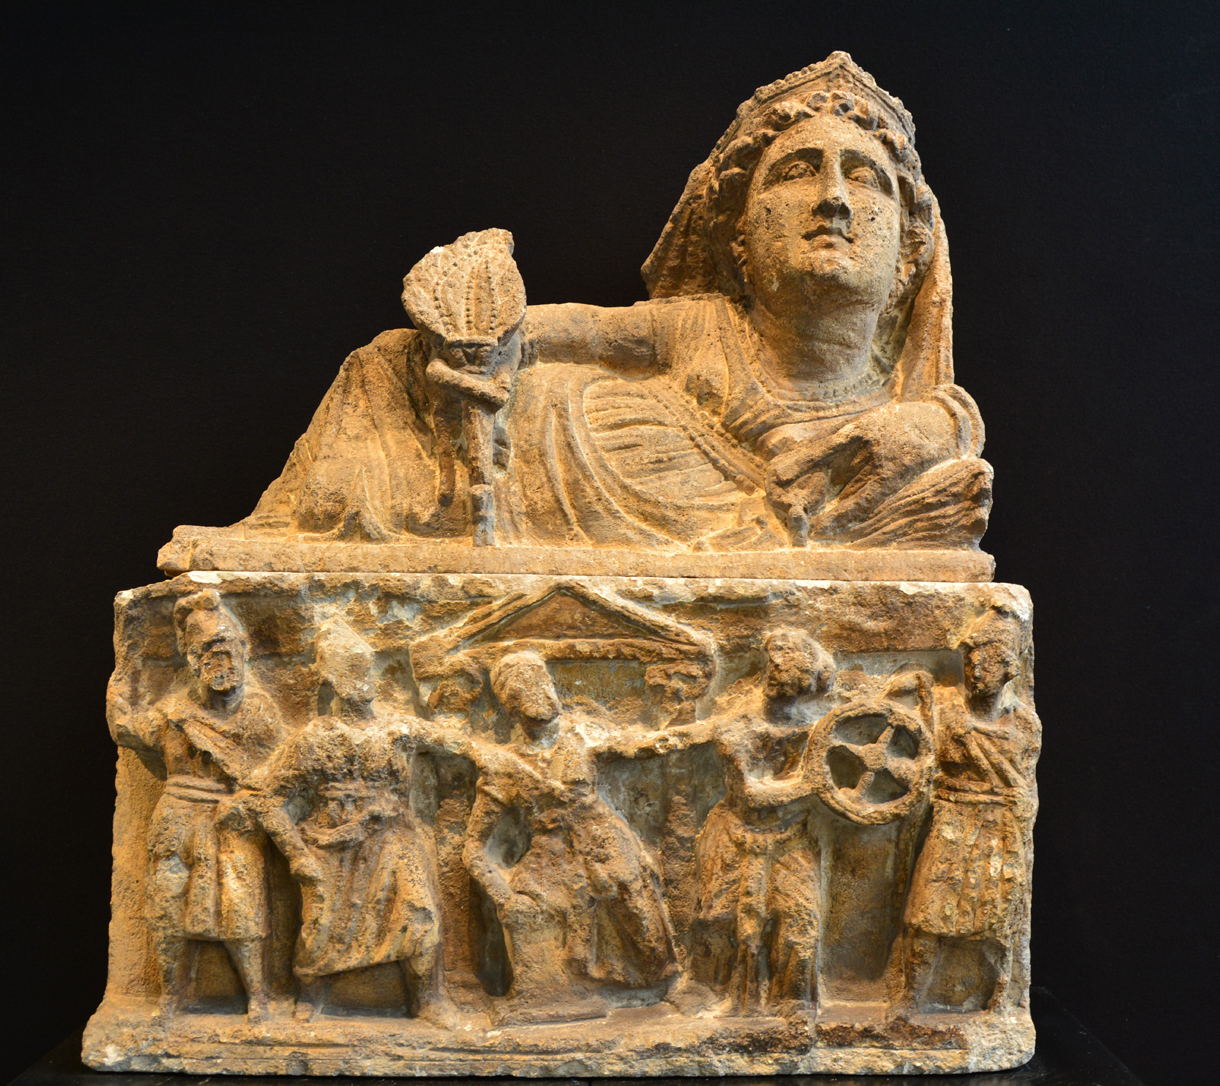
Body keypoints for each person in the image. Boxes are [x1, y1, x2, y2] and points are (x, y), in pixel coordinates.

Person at [234, 52, 989, 552]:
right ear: (738, 240)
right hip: (587, 485)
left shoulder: (925, 429)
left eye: (865, 177)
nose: (833, 199)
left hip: (733, 528)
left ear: (910, 253)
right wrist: (483, 332)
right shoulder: (700, 327)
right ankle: (323, 529)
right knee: (392, 364)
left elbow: (951, 445)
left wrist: (935, 428)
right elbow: (569, 332)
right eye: (796, 171)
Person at [252, 616, 459, 1024]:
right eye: (351, 669)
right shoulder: (313, 738)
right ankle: (310, 994)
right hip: (330, 843)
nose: (362, 679)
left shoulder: (398, 729)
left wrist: (453, 695)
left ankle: (428, 999)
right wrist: (296, 854)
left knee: (418, 909)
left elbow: (456, 742)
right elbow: (267, 801)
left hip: (392, 837)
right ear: (330, 678)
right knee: (321, 925)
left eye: (365, 668)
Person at [462, 651, 680, 1025]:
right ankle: (552, 995)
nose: (543, 693)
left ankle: (650, 992)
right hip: (551, 859)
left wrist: (693, 729)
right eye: (527, 687)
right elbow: (473, 846)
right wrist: (502, 894)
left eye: (544, 682)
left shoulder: (583, 736)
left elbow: (645, 744)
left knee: (650, 943)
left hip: (607, 848)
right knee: (529, 913)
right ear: (510, 705)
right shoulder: (504, 766)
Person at [107, 589, 285, 1020]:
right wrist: (126, 668)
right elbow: (125, 728)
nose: (219, 660)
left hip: (231, 820)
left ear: (244, 650)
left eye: (226, 649)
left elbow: (278, 772)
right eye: (207, 652)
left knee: (242, 907)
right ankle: (172, 995)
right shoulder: (173, 713)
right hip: (178, 820)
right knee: (168, 907)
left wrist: (249, 802)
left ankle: (258, 996)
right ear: (191, 659)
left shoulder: (259, 712)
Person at [681, 629, 835, 1019]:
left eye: (794, 684)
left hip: (792, 837)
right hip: (736, 833)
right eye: (777, 674)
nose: (782, 686)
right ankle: (719, 992)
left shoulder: (819, 731)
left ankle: (793, 1000)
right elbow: (751, 794)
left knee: (801, 920)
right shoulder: (737, 727)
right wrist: (812, 787)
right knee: (722, 920)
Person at [895, 608, 1040, 1013]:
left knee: (999, 920)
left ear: (1008, 670)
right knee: (925, 913)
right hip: (951, 819)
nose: (976, 673)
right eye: (971, 664)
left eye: (986, 665)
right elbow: (920, 764)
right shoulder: (944, 711)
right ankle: (910, 997)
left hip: (1001, 827)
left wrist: (1020, 815)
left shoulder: (1024, 725)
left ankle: (1001, 997)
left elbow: (1026, 787)